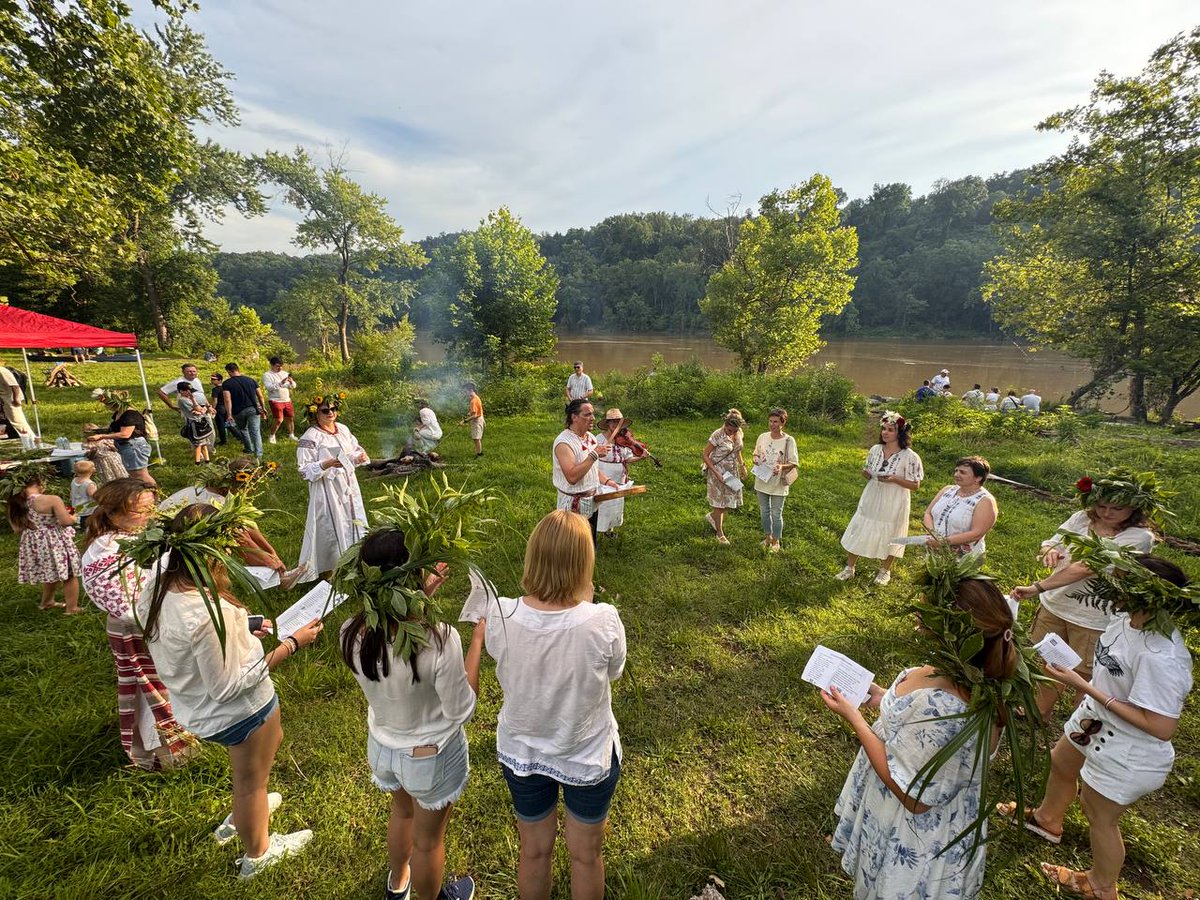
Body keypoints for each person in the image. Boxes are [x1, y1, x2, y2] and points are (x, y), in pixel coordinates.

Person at [136, 503, 323, 879]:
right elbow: (228, 686)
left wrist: (243, 626)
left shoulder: (158, 584)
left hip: (195, 704)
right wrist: (291, 644)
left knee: (257, 764)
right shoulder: (207, 614)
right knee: (251, 783)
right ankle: (258, 853)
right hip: (239, 711)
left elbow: (188, 645)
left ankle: (243, 815)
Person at [824, 557, 1026, 900]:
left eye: (926, 611)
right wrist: (881, 697)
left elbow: (914, 798)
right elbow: (913, 720)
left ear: (950, 629)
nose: (917, 618)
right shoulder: (978, 678)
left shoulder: (946, 708)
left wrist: (855, 719)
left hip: (913, 832)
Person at [1000, 551, 1194, 900]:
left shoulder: (1161, 656)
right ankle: (1047, 819)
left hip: (1128, 746)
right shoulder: (1124, 618)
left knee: (1098, 812)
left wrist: (1084, 687)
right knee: (1061, 762)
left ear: (1145, 595)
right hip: (1094, 720)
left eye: (1119, 583)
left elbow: (1160, 726)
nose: (1109, 587)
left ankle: (1102, 885)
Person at [482, 510, 626, 900]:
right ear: (584, 564)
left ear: (533, 556)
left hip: (523, 752)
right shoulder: (603, 620)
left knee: (533, 850)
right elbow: (614, 672)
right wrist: (587, 606)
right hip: (587, 754)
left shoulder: (501, 612)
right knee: (586, 855)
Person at [339, 528, 482, 900]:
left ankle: (398, 883)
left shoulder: (351, 632)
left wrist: (420, 596)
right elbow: (462, 708)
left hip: (384, 747)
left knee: (402, 814)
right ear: (410, 580)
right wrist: (477, 642)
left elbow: (394, 638)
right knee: (428, 842)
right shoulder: (440, 640)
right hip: (429, 756)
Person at [1010, 468, 1163, 718]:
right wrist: (1049, 550)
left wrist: (1037, 587)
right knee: (1049, 659)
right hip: (1056, 603)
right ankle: (1038, 711)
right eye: (1102, 506)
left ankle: (1081, 724)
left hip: (1092, 617)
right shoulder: (1082, 518)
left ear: (1135, 508)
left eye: (1117, 508)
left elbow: (1086, 567)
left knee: (1085, 673)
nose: (1107, 513)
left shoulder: (1138, 537)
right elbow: (1053, 540)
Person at [80, 479, 196, 770]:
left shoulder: (137, 536)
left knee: (166, 682)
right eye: (140, 511)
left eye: (151, 508)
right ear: (113, 513)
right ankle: (166, 754)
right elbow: (124, 605)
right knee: (150, 688)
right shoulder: (106, 551)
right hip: (137, 628)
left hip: (154, 622)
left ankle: (179, 740)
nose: (149, 515)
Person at [836, 411, 924, 586]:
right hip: (872, 495)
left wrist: (895, 479)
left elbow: (915, 485)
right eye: (883, 429)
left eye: (890, 430)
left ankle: (885, 571)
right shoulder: (875, 450)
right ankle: (850, 568)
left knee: (891, 532)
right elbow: (868, 469)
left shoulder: (910, 457)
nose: (885, 432)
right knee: (861, 526)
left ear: (900, 433)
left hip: (894, 499)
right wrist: (867, 474)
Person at [297, 391, 369, 579]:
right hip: (326, 488)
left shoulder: (343, 429)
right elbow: (303, 470)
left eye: (334, 408)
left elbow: (354, 449)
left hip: (348, 484)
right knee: (329, 524)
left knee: (353, 519)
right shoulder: (310, 437)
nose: (330, 413)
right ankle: (331, 569)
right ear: (315, 413)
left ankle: (356, 561)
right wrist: (326, 464)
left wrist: (359, 456)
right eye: (325, 410)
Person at [7, 465, 82, 613]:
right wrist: (73, 517)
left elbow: (17, 529)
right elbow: (65, 522)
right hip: (55, 541)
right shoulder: (52, 499)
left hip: (33, 543)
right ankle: (72, 608)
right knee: (69, 574)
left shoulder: (14, 502)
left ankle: (47, 602)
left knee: (50, 571)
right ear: (39, 482)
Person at [552, 400, 621, 544]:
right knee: (572, 547)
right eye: (587, 414)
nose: (593, 418)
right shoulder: (564, 443)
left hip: (591, 502)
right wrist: (594, 454)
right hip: (572, 505)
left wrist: (607, 481)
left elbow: (592, 467)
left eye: (593, 414)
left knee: (588, 544)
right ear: (574, 417)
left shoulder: (590, 438)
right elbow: (572, 477)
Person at [922, 456, 998, 556]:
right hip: (934, 551)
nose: (956, 474)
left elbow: (977, 533)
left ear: (978, 478)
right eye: (956, 471)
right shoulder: (947, 490)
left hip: (964, 558)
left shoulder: (985, 501)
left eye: (962, 472)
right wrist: (932, 535)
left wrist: (944, 542)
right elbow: (928, 513)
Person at [593, 408, 650, 537]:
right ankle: (596, 529)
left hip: (619, 476)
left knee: (616, 502)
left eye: (618, 422)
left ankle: (610, 530)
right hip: (604, 474)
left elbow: (627, 458)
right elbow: (592, 456)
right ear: (607, 423)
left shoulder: (622, 440)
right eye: (612, 421)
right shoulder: (599, 439)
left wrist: (641, 457)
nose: (615, 424)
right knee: (603, 502)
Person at [85, 389, 155, 487]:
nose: (107, 406)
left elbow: (125, 434)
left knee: (140, 475)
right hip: (126, 446)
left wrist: (101, 436)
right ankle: (143, 492)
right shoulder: (119, 413)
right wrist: (97, 431)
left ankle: (155, 493)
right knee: (134, 475)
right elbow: (114, 427)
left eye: (107, 404)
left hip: (134, 447)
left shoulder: (130, 415)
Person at [751, 408, 798, 553]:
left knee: (776, 514)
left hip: (778, 482)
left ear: (783, 423)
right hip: (762, 479)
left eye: (776, 422)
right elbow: (755, 453)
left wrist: (781, 466)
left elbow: (794, 463)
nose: (772, 424)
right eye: (770, 421)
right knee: (764, 512)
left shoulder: (789, 440)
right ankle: (768, 537)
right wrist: (755, 459)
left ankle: (776, 541)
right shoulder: (762, 436)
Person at [703, 409, 747, 546]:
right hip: (717, 471)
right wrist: (716, 473)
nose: (732, 433)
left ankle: (712, 516)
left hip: (732, 472)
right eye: (729, 430)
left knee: (728, 501)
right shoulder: (718, 434)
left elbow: (737, 450)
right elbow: (705, 455)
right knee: (719, 503)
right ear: (725, 424)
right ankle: (719, 533)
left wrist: (742, 465)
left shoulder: (739, 433)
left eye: (735, 430)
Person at [222, 362, 268, 461]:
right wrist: (263, 407)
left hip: (238, 411)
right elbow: (260, 396)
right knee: (255, 432)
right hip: (253, 409)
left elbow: (227, 400)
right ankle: (258, 456)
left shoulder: (227, 383)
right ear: (238, 369)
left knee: (243, 429)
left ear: (229, 371)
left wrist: (229, 414)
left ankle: (249, 449)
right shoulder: (251, 380)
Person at [176, 383, 215, 464]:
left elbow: (199, 409)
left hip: (200, 422)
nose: (190, 393)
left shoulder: (188, 398)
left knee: (204, 443)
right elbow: (198, 409)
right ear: (181, 391)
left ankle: (207, 461)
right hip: (195, 424)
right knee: (199, 444)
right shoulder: (183, 400)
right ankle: (197, 462)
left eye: (190, 391)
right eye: (187, 391)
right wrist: (193, 399)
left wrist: (200, 409)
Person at [262, 357, 298, 444]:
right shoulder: (267, 375)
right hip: (275, 400)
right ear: (272, 365)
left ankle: (291, 435)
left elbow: (293, 386)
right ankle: (272, 436)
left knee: (290, 418)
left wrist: (291, 382)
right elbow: (269, 388)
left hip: (287, 399)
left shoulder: (285, 373)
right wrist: (281, 383)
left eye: (281, 366)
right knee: (279, 419)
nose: (280, 368)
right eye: (277, 366)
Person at [0, 364, 33, 436]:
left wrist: (16, 399)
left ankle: (30, 438)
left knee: (17, 420)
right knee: (11, 420)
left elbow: (15, 386)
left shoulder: (2, 371)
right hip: (4, 399)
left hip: (11, 400)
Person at [70, 459, 98, 524]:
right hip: (88, 509)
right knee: (88, 521)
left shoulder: (74, 480)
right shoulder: (89, 484)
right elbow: (94, 495)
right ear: (92, 471)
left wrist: (71, 498)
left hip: (76, 506)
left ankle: (79, 524)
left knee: (81, 519)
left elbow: (71, 492)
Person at [461, 382, 485, 457]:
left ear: (471, 390)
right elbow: (475, 410)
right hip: (479, 418)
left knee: (476, 438)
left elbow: (475, 415)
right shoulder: (476, 398)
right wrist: (470, 413)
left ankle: (479, 454)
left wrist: (464, 421)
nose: (465, 393)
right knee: (476, 438)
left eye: (465, 391)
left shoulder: (473, 401)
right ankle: (479, 452)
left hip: (477, 421)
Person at [209, 372, 229, 446]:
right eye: (211, 379)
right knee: (228, 424)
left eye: (214, 379)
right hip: (226, 407)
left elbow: (215, 401)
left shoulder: (215, 389)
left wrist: (212, 409)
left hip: (219, 409)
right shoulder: (226, 388)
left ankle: (223, 441)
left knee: (221, 425)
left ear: (220, 380)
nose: (212, 380)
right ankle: (239, 437)